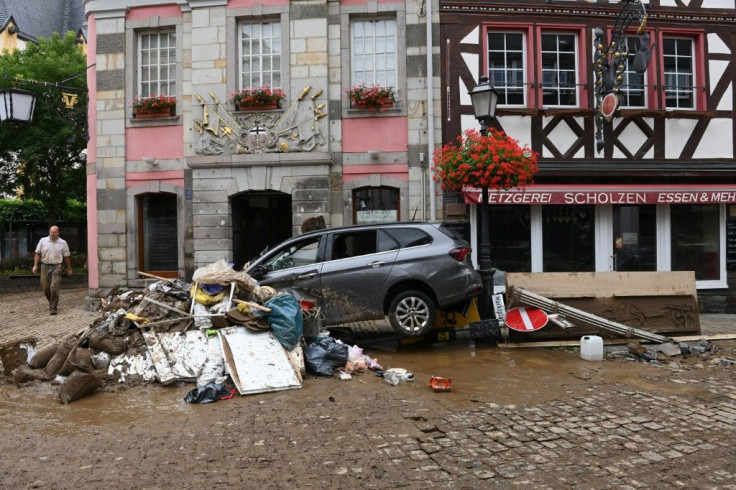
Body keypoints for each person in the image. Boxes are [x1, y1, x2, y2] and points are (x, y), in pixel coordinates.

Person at [32, 226, 73, 315]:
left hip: (57, 266)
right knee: (45, 288)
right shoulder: (43, 241)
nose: (52, 234)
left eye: (54, 232)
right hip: (45, 265)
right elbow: (38, 253)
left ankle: (53, 308)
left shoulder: (63, 243)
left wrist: (69, 268)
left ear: (58, 233)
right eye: (51, 232)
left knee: (54, 287)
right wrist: (35, 265)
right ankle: (52, 302)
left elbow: (66, 256)